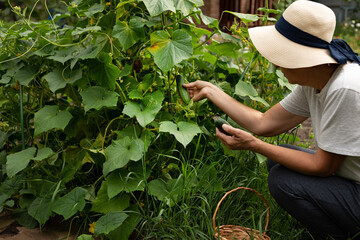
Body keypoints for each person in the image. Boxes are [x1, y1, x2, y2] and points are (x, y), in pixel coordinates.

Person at [183, 0, 360, 239]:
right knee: (278, 162)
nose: (275, 63)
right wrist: (212, 91)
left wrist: (254, 145)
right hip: (348, 179)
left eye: (282, 55)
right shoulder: (317, 79)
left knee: (283, 180)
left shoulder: (345, 88)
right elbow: (264, 123)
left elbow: (322, 167)